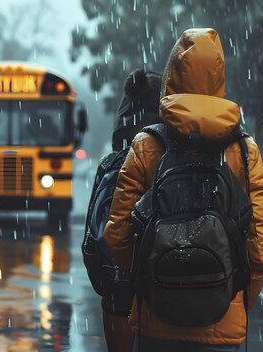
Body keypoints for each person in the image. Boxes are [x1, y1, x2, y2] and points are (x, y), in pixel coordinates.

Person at [103, 28, 263, 351]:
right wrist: (234, 295)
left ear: (172, 76)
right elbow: (260, 250)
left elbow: (118, 237)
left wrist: (149, 287)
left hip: (157, 323)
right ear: (219, 78)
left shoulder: (146, 144)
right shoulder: (244, 149)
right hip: (224, 324)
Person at [103, 68, 162, 352]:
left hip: (124, 300)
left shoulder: (114, 166)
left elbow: (100, 246)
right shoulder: (209, 155)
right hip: (197, 300)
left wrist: (126, 276)